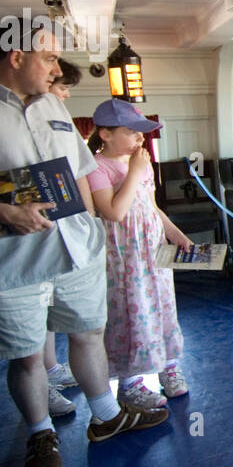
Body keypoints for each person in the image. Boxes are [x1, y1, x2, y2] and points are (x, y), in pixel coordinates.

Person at [0, 17, 168, 467]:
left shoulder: (52, 106)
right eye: (49, 57)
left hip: (74, 253)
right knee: (28, 355)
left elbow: (79, 170)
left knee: (88, 334)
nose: (56, 68)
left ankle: (106, 416)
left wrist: (91, 231)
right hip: (11, 261)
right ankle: (40, 432)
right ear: (16, 55)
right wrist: (1, 212)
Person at [86, 99, 191, 409]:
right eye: (131, 133)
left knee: (162, 305)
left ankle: (168, 366)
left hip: (153, 251)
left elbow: (151, 205)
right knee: (130, 311)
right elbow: (114, 212)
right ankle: (130, 383)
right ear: (105, 134)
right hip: (123, 258)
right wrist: (134, 171)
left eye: (140, 133)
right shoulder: (96, 167)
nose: (139, 139)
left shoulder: (140, 164)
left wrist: (175, 233)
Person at [40, 58, 83, 413]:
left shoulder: (61, 121)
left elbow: (79, 170)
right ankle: (41, 385)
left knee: (52, 309)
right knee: (37, 312)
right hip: (31, 237)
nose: (65, 94)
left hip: (66, 232)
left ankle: (51, 368)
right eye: (62, 86)